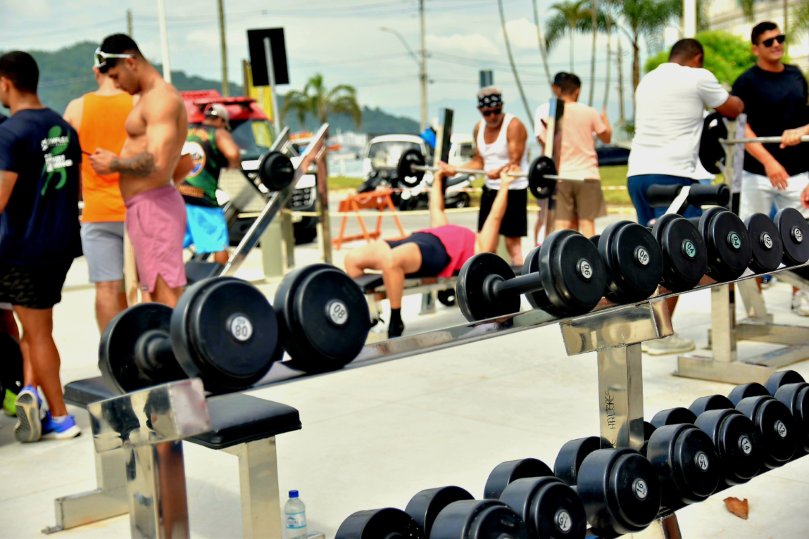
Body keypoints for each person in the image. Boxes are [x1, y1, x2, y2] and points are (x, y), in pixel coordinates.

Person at [626, 38, 744, 355]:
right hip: (672, 176)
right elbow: (733, 108)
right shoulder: (697, 76)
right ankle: (658, 334)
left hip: (638, 175)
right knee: (678, 255)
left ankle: (650, 328)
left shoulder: (649, 80)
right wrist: (729, 94)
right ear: (698, 58)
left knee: (653, 250)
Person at [0, 51, 83, 441]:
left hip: (24, 249)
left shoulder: (12, 132)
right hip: (60, 244)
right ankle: (31, 391)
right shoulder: (64, 127)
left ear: (5, 83)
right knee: (37, 328)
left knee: (37, 332)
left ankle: (61, 416)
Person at [344, 167, 519, 338]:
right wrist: (438, 177)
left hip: (436, 252)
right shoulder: (444, 227)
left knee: (391, 261)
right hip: (418, 238)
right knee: (352, 259)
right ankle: (371, 316)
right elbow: (436, 207)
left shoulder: (481, 245)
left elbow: (495, 216)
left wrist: (504, 186)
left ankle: (395, 320)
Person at [88, 33, 188, 307]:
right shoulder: (146, 98)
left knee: (165, 294)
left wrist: (115, 163)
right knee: (153, 294)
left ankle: (176, 350)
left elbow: (157, 160)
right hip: (143, 207)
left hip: (155, 206)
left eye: (117, 76)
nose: (117, 84)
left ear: (131, 62)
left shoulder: (160, 99)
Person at [731, 21, 809, 315]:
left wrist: (800, 131)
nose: (777, 44)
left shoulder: (796, 75)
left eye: (780, 38)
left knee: (801, 236)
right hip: (757, 173)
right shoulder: (745, 82)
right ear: (756, 48)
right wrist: (769, 161)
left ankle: (801, 296)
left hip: (799, 172)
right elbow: (742, 128)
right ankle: (755, 307)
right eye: (768, 41)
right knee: (751, 239)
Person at [63, 57, 134, 332]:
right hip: (135, 208)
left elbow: (64, 160)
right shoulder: (136, 103)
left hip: (97, 211)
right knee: (141, 286)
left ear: (96, 71)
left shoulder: (77, 108)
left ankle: (112, 353)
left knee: (106, 288)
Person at [441, 87, 529, 265]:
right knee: (486, 242)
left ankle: (521, 288)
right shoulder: (478, 128)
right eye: (488, 113)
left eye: (497, 111)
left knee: (513, 245)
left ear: (502, 107)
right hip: (491, 189)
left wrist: (499, 171)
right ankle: (491, 285)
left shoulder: (513, 125)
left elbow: (515, 162)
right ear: (480, 111)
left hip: (513, 189)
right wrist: (456, 169)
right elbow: (478, 161)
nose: (493, 116)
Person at [536, 73, 611, 238]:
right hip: (587, 175)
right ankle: (590, 259)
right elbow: (606, 138)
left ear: (558, 90)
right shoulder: (589, 111)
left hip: (562, 175)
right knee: (587, 223)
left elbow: (545, 144)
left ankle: (559, 258)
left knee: (562, 224)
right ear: (577, 91)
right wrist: (605, 121)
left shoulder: (553, 114)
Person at [179, 103, 240, 265]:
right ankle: (219, 284)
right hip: (202, 197)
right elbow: (233, 153)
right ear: (220, 120)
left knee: (174, 245)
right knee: (218, 244)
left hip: (178, 196)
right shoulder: (217, 132)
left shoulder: (189, 131)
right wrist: (232, 170)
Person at [532, 72, 566, 245]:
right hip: (547, 167)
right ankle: (539, 246)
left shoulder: (574, 110)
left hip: (567, 167)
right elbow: (541, 138)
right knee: (544, 212)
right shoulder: (544, 109)